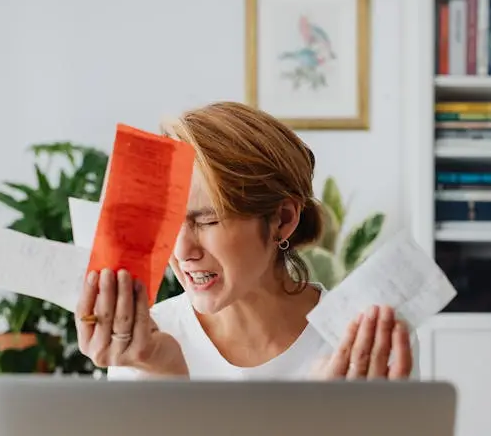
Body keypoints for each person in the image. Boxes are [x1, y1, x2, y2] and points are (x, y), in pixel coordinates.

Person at [74, 101, 418, 380]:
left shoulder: (363, 342)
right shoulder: (145, 342)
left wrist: (334, 422)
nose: (181, 252)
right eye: (168, 223)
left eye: (208, 220)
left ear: (282, 220)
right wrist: (167, 378)